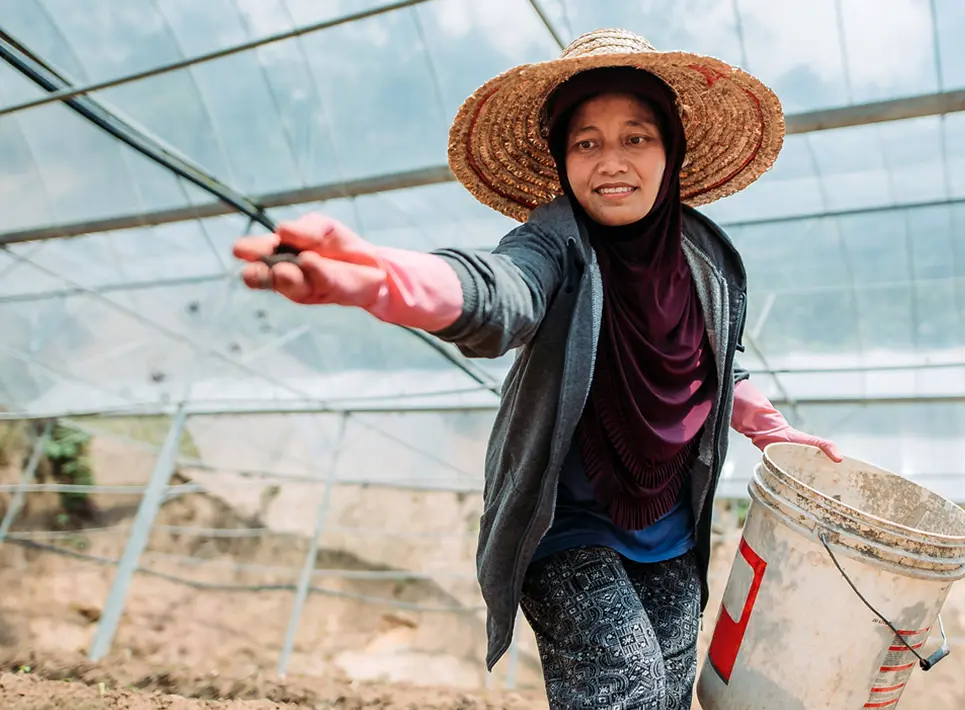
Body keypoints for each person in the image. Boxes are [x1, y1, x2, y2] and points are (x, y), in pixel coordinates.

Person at [233, 28, 841, 710]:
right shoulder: (554, 243)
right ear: (563, 158)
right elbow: (498, 291)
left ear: (669, 150)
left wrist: (771, 429)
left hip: (671, 531)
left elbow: (718, 360)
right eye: (587, 142)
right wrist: (376, 276)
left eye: (636, 137)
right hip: (566, 526)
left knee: (668, 696)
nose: (611, 161)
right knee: (626, 689)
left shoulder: (703, 258)